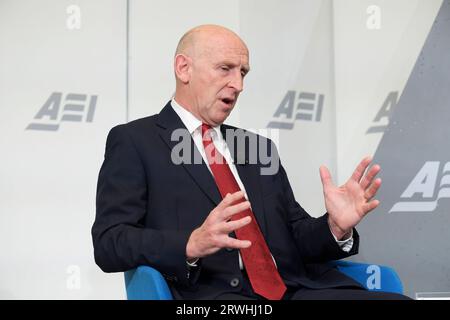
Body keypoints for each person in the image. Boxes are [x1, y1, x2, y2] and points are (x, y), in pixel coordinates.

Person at [92, 24, 408, 300]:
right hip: (213, 296)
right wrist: (190, 243)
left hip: (298, 290)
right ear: (183, 68)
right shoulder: (135, 141)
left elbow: (294, 237)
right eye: (225, 68)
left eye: (242, 73)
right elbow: (109, 242)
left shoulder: (257, 147)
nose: (238, 85)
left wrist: (334, 226)